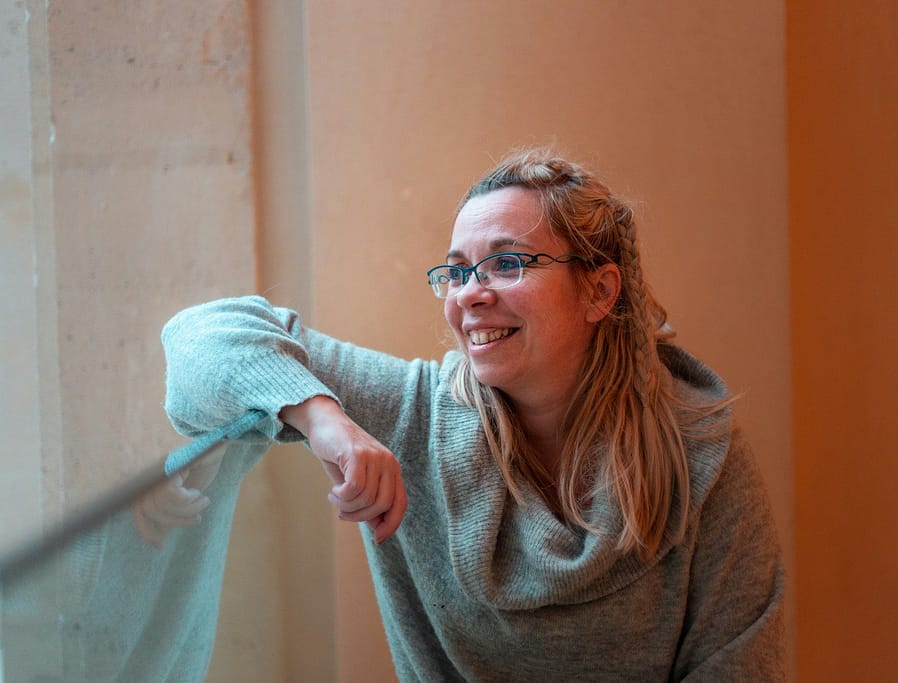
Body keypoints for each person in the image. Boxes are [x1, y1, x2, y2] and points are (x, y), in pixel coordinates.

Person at [162, 149, 785, 681]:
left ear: (599, 291)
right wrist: (325, 420)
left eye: (507, 263)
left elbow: (740, 663)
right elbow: (197, 341)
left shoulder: (699, 450)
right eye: (457, 271)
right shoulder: (412, 414)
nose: (470, 294)